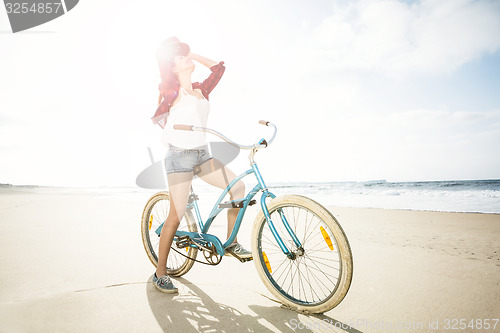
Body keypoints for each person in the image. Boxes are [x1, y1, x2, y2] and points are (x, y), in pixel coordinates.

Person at [150, 37, 251, 293]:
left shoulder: (200, 89)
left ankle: (231, 243)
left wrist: (189, 54)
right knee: (176, 214)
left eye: (187, 57)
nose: (187, 60)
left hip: (201, 156)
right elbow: (158, 116)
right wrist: (172, 126)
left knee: (238, 188)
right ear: (173, 69)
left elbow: (219, 69)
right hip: (179, 157)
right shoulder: (172, 93)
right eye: (181, 59)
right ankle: (160, 273)